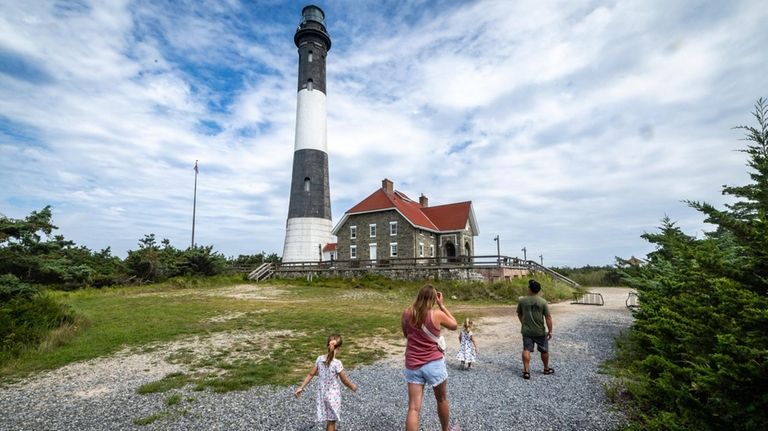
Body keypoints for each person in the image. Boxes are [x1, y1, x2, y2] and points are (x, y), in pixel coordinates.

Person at [402, 284, 459, 431]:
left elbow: (406, 335)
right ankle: (445, 429)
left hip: (413, 364)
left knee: (413, 408)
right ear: (434, 299)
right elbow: (454, 325)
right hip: (434, 364)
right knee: (441, 399)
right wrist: (442, 306)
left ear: (419, 295)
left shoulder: (407, 313)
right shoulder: (436, 314)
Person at [294, 334, 358, 431]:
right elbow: (344, 380)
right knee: (332, 421)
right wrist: (353, 386)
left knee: (329, 419)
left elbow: (311, 374)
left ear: (327, 345)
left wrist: (301, 387)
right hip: (333, 396)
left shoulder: (319, 359)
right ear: (339, 348)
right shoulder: (337, 363)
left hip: (322, 395)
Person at [516, 279, 554, 379]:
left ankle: (526, 371)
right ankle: (546, 368)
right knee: (544, 350)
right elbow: (548, 317)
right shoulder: (543, 302)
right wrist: (550, 331)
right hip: (540, 331)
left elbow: (519, 314)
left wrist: (523, 323)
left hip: (527, 331)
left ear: (530, 289)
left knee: (526, 349)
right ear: (539, 290)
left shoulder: (522, 301)